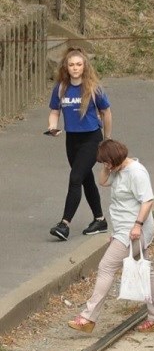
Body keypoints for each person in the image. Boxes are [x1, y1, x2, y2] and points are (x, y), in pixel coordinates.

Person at [68, 139, 154, 333]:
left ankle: (88, 317)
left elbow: (147, 201)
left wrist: (137, 226)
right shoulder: (117, 170)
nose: (104, 166)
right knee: (146, 271)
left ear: (115, 158)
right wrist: (108, 166)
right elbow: (102, 181)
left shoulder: (136, 172)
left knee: (106, 266)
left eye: (106, 162)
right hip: (124, 229)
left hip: (134, 230)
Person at [46, 47, 112, 241]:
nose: (75, 68)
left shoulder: (93, 88)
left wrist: (107, 139)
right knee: (85, 178)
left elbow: (106, 112)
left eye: (79, 64)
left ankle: (64, 224)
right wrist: (52, 127)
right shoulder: (61, 88)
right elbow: (54, 111)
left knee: (75, 177)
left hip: (92, 139)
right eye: (71, 65)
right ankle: (100, 220)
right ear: (66, 67)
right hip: (72, 140)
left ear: (85, 66)